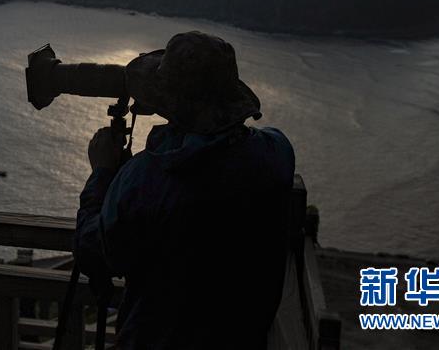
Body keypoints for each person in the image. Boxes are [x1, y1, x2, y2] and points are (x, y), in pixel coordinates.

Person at [74, 31, 295, 349]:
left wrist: (102, 174)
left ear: (166, 103)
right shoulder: (276, 154)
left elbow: (91, 251)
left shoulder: (144, 179)